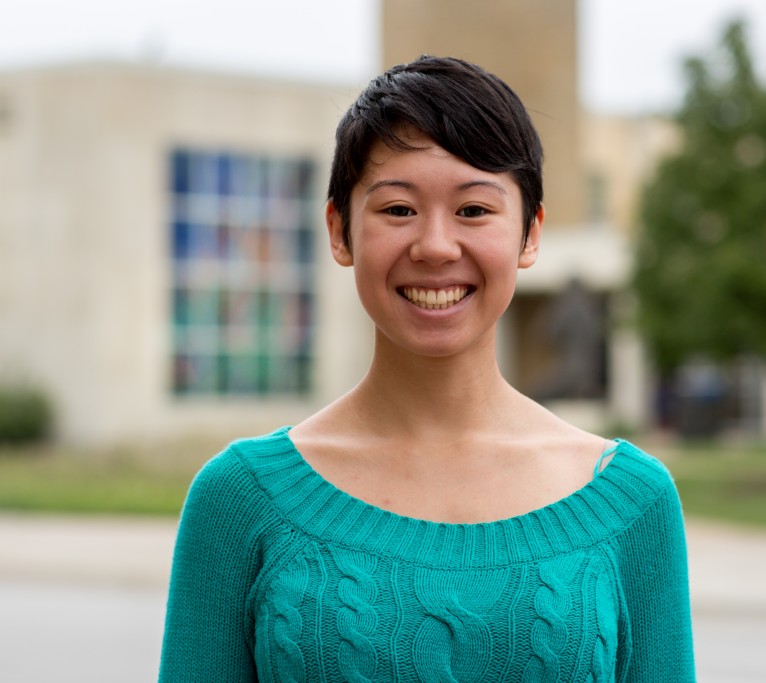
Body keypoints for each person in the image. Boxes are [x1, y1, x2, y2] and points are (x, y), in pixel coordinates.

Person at [159, 55, 696, 682]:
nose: (436, 247)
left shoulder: (631, 502)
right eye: (397, 210)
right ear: (339, 230)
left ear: (529, 235)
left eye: (473, 210)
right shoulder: (239, 499)